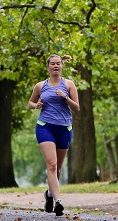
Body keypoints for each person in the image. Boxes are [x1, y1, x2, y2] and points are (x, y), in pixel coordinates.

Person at [28, 54, 80, 217]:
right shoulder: (40, 86)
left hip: (64, 128)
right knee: (51, 164)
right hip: (45, 126)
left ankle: (49, 195)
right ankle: (58, 201)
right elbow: (30, 102)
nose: (56, 66)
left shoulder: (69, 84)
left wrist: (65, 97)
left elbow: (77, 108)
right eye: (53, 64)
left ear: (61, 66)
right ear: (48, 67)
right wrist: (35, 105)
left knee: (57, 170)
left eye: (58, 64)